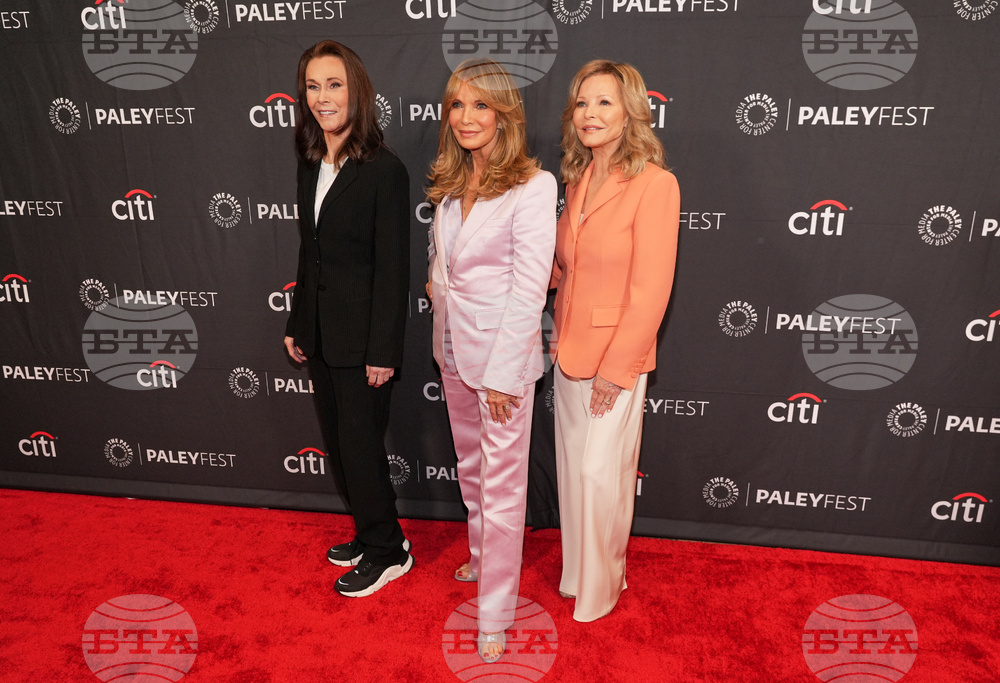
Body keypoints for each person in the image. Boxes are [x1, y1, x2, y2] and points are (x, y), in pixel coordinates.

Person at [426, 59, 556, 663]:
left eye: (481, 105)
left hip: (502, 362)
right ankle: (480, 557)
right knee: (471, 470)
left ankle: (495, 612)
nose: (467, 117)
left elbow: (531, 290)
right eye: (457, 105)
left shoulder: (534, 186)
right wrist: (437, 293)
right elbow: (443, 266)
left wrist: (504, 375)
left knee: (503, 491)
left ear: (506, 114)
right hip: (452, 349)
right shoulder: (451, 184)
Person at [549, 59, 680, 622]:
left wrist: (617, 368)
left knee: (602, 475)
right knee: (575, 474)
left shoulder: (655, 183)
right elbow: (565, 268)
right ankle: (579, 574)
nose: (590, 114)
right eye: (582, 102)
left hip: (614, 358)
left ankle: (605, 586)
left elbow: (651, 291)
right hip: (567, 348)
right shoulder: (576, 180)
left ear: (631, 110)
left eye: (604, 102)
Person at [283, 40, 412, 598]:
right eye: (312, 86)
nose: (322, 97)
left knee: (360, 447)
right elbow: (307, 253)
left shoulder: (385, 170)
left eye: (333, 85)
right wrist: (296, 322)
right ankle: (371, 532)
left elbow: (393, 268)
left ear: (357, 90)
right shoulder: (312, 160)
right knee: (339, 445)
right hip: (320, 332)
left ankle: (388, 552)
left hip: (362, 342)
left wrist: (383, 349)